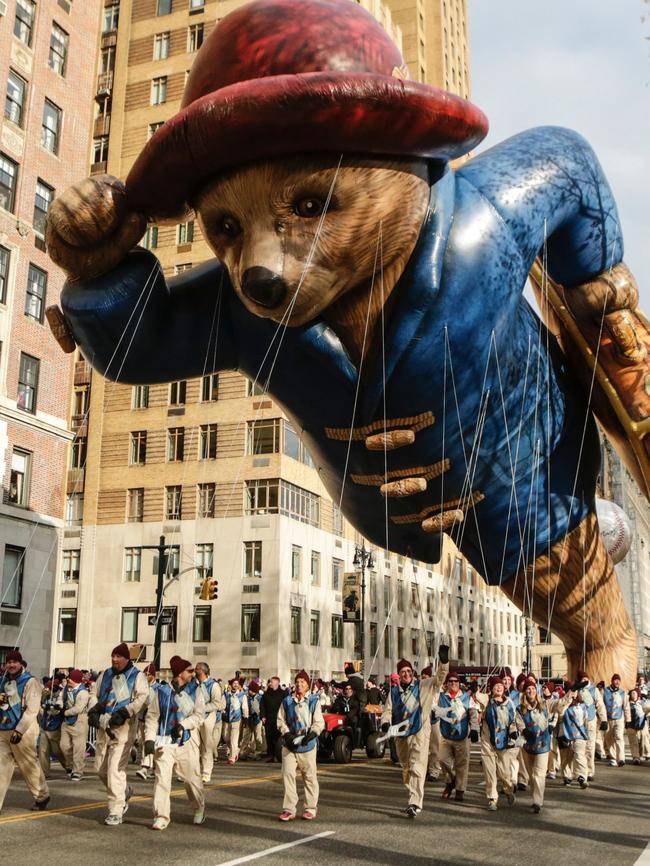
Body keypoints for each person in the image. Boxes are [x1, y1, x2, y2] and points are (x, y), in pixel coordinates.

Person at [380, 646, 449, 818]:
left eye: (408, 671)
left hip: (420, 732)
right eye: (402, 671)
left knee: (418, 767)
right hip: (401, 735)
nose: (406, 674)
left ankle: (414, 803)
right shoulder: (394, 692)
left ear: (413, 672)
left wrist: (444, 662)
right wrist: (385, 723)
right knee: (407, 768)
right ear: (399, 674)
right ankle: (412, 795)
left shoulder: (424, 686)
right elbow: (388, 711)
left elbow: (440, 678)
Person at [89, 642, 148, 826]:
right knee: (100, 769)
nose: (114, 659)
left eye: (118, 656)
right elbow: (94, 693)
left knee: (115, 770)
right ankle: (124, 792)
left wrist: (126, 712)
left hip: (124, 728)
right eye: (113, 656)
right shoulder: (105, 674)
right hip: (104, 726)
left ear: (126, 658)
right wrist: (94, 709)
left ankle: (116, 810)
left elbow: (142, 697)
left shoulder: (136, 676)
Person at [144, 655, 205, 830]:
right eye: (189, 671)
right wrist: (149, 738)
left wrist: (183, 725)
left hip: (186, 741)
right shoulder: (162, 692)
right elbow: (152, 716)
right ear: (179, 673)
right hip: (165, 743)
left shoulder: (196, 690)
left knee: (190, 779)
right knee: (162, 779)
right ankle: (161, 816)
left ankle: (199, 806)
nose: (193, 673)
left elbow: (199, 715)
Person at [0, 650, 50, 813]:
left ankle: (42, 795)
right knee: (1, 769)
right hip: (3, 730)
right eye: (8, 662)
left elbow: (32, 710)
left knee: (28, 766)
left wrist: (19, 731)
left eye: (14, 661)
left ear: (21, 663)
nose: (11, 665)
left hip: (24, 731)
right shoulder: (3, 681)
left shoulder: (31, 682)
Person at [277, 670, 324, 821]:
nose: (299, 684)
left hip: (307, 745)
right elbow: (280, 720)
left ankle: (310, 807)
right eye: (297, 682)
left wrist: (312, 734)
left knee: (309, 776)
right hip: (290, 744)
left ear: (307, 685)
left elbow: (319, 722)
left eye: (302, 682)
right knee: (288, 775)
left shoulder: (313, 701)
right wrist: (286, 734)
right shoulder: (287, 701)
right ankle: (289, 809)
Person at [516, 678, 568, 813]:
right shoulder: (520, 708)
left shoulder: (545, 704)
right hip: (528, 747)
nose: (531, 691)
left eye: (533, 688)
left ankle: (537, 802)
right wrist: (524, 730)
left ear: (536, 690)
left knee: (539, 774)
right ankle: (536, 796)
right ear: (524, 692)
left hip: (543, 745)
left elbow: (560, 704)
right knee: (532, 775)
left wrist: (572, 692)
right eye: (528, 689)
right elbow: (519, 722)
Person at [473, 676, 517, 811]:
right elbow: (477, 696)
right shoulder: (487, 701)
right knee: (490, 772)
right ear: (491, 688)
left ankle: (509, 789)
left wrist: (513, 733)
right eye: (495, 686)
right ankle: (492, 799)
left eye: (501, 685)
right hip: (487, 742)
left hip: (504, 742)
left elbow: (513, 720)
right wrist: (477, 687)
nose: (499, 687)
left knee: (504, 773)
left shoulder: (509, 703)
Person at [437, 669, 477, 803]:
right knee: (442, 760)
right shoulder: (441, 697)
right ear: (447, 683)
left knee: (462, 764)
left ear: (459, 683)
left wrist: (475, 729)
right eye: (450, 681)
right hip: (446, 735)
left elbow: (473, 713)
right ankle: (451, 781)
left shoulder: (466, 697)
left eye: (455, 681)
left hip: (462, 735)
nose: (453, 683)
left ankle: (460, 789)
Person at [572, 669, 607, 781]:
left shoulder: (594, 690)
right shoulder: (576, 690)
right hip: (578, 722)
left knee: (590, 747)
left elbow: (600, 705)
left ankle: (590, 771)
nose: (585, 680)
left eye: (586, 678)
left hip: (591, 720)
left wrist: (604, 720)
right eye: (582, 679)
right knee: (578, 748)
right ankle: (580, 772)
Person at [195, 662, 225, 782]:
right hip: (194, 717)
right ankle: (192, 771)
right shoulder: (194, 683)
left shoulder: (214, 685)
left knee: (207, 745)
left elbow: (217, 703)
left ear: (202, 671)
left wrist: (203, 708)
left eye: (196, 669)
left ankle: (206, 772)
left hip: (208, 717)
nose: (194, 671)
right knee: (193, 745)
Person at [58, 669, 90, 781]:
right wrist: (58, 706)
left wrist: (65, 712)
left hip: (79, 721)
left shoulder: (83, 692)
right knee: (64, 746)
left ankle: (78, 771)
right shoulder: (66, 689)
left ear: (75, 680)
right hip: (66, 722)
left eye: (70, 678)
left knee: (78, 748)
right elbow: (60, 699)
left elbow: (78, 708)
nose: (67, 680)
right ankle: (70, 766)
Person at [557, 686, 589, 787]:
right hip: (565, 734)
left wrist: (586, 732)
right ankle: (567, 776)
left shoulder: (583, 707)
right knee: (566, 757)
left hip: (579, 735)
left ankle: (581, 776)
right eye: (572, 695)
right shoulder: (563, 706)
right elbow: (560, 716)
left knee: (579, 755)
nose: (574, 697)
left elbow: (585, 721)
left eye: (576, 695)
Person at [38, 678, 67, 778]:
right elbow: (41, 705)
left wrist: (54, 707)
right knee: (43, 751)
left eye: (52, 687)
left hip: (55, 727)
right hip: (45, 726)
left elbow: (60, 710)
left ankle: (68, 766)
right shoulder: (46, 696)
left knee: (56, 751)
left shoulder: (61, 696)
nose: (50, 689)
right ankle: (44, 772)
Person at [136, 662, 158, 781]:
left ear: (153, 676)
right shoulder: (142, 688)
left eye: (147, 674)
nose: (145, 676)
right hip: (142, 719)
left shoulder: (158, 688)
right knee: (142, 742)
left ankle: (145, 768)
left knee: (149, 744)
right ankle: (153, 768)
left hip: (154, 721)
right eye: (144, 674)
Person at [419, 664, 442, 782]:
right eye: (422, 677)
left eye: (427, 677)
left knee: (434, 747)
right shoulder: (418, 688)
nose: (424, 679)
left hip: (434, 719)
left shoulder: (436, 688)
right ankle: (422, 769)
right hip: (421, 719)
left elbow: (441, 677)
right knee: (421, 747)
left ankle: (434, 770)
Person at [603, 673, 631, 766]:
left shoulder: (623, 693)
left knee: (619, 737)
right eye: (615, 680)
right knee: (609, 738)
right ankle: (613, 758)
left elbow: (626, 707)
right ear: (612, 681)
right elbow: (601, 706)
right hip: (608, 718)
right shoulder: (605, 691)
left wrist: (628, 720)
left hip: (619, 718)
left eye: (619, 680)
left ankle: (621, 758)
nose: (617, 681)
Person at [261, 676, 286, 762]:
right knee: (269, 737)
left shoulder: (283, 693)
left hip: (279, 719)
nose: (270, 683)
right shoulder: (266, 694)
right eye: (270, 682)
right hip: (269, 719)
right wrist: (263, 716)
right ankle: (271, 755)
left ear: (277, 683)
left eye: (271, 682)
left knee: (278, 737)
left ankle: (277, 755)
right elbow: (262, 706)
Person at [223, 677, 248, 764]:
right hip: (226, 719)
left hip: (237, 719)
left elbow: (245, 707)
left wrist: (245, 718)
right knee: (226, 738)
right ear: (231, 685)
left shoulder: (242, 695)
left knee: (234, 739)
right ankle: (235, 750)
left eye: (237, 683)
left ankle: (232, 757)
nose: (235, 685)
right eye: (234, 683)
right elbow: (222, 705)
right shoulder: (226, 695)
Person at [240, 680, 265, 759]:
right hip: (248, 719)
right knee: (246, 737)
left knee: (258, 737)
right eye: (249, 689)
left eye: (251, 690)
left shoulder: (260, 698)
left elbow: (262, 708)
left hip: (257, 719)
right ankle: (242, 752)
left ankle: (258, 752)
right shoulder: (246, 697)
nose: (249, 691)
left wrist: (262, 716)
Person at [626, 688, 650, 764]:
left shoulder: (642, 703)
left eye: (635, 693)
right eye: (632, 693)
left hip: (642, 724)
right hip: (630, 725)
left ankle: (645, 754)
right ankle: (636, 757)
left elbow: (648, 708)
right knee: (633, 742)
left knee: (643, 740)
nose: (633, 694)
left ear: (638, 695)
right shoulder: (627, 704)